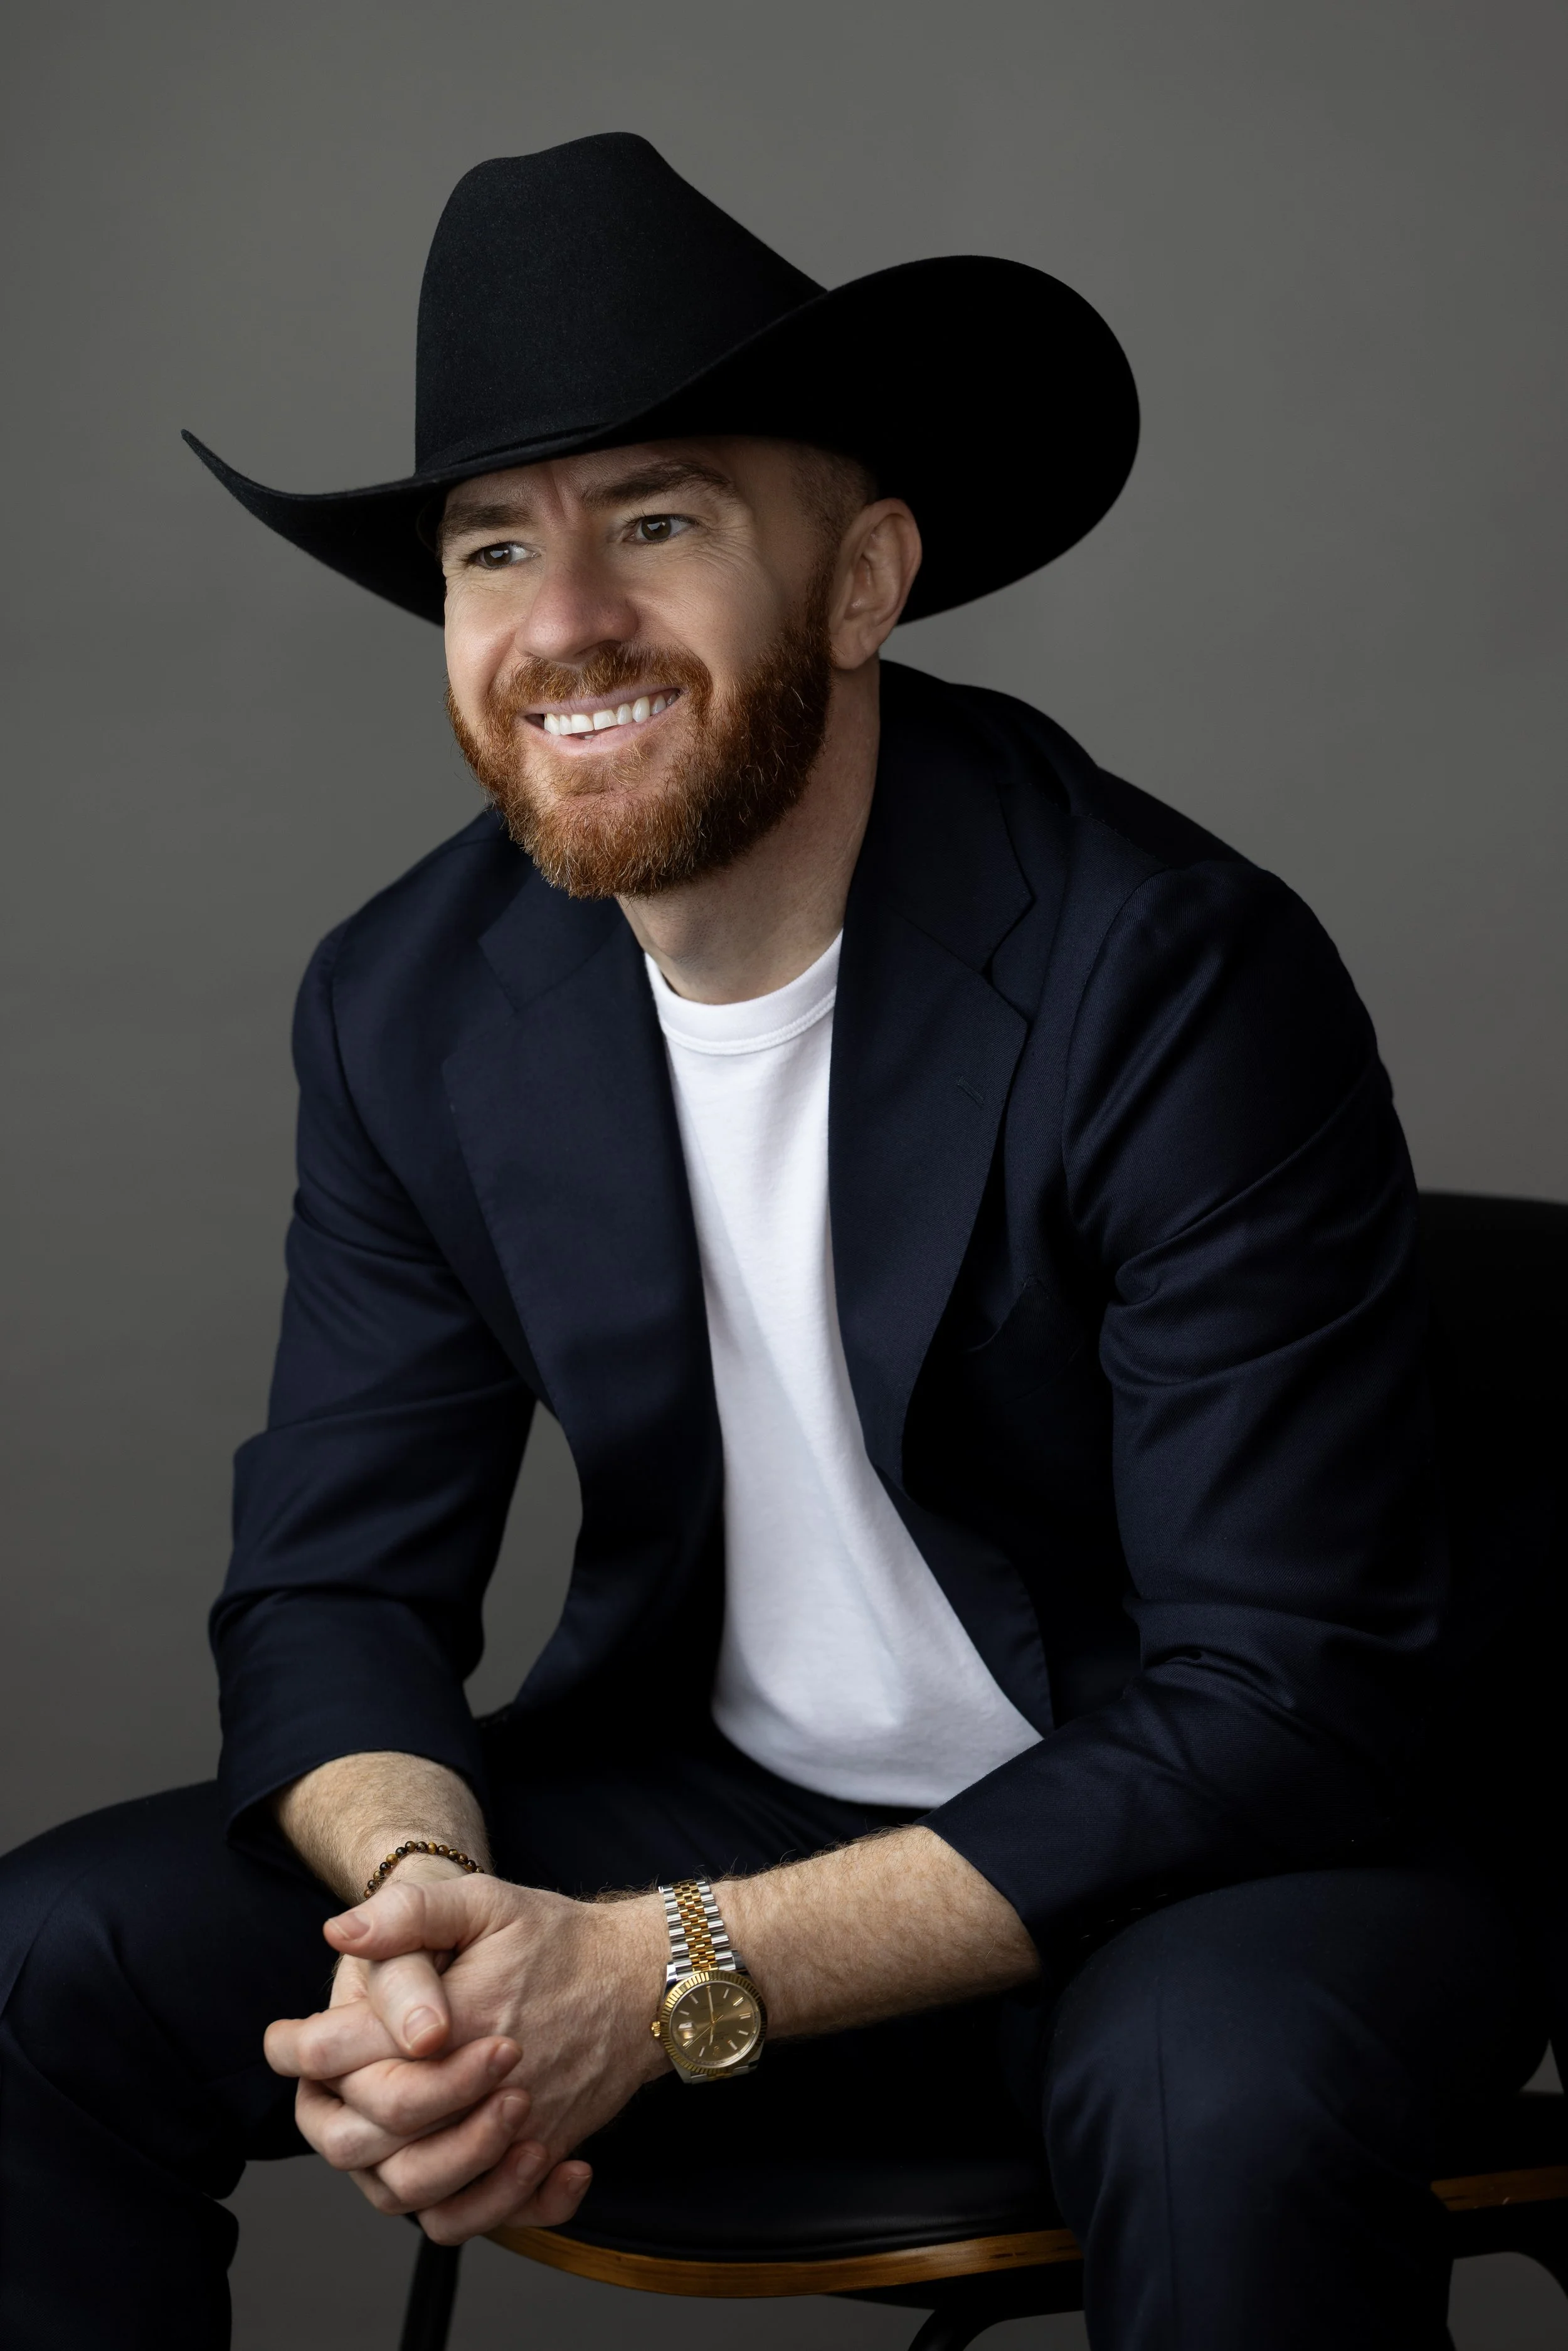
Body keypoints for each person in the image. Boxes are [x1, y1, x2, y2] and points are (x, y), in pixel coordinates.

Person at [0, 132, 1541, 2350]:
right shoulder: (408, 1002)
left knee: (1221, 2091)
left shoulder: (1166, 967)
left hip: (1220, 1854)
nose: (562, 627)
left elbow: (1277, 1704)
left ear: (859, 579)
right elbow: (337, 1578)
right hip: (713, 1806)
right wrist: (438, 1924)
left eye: (658, 520)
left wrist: (664, 1973)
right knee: (57, 1954)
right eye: (490, 548)